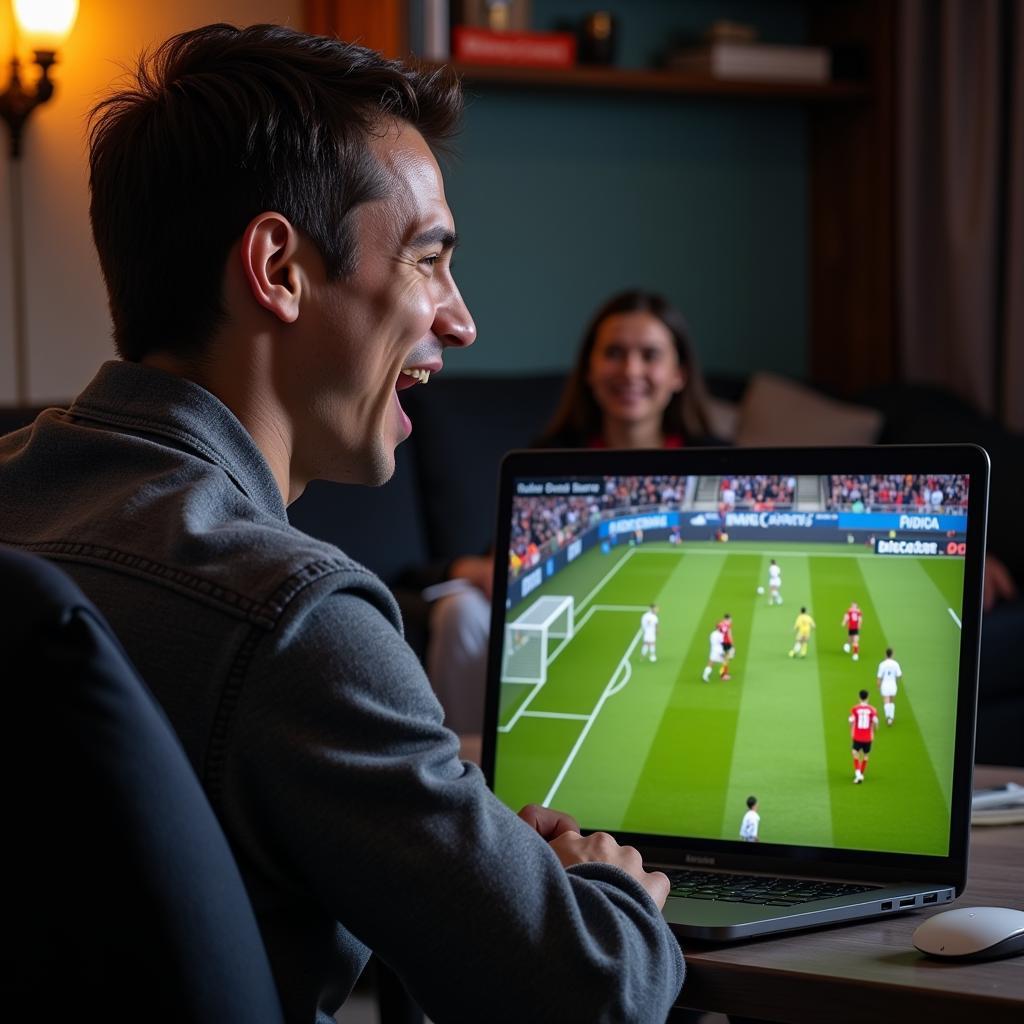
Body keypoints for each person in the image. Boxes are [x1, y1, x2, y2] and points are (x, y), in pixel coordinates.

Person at [0, 25, 683, 1022]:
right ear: (277, 268)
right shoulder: (295, 620)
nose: (460, 320)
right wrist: (607, 885)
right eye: (427, 258)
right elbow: (595, 993)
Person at [427, 289, 719, 730]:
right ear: (589, 369)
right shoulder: (549, 459)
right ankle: (460, 772)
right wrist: (475, 568)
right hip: (569, 611)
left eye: (650, 355)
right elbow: (498, 557)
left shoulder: (716, 460)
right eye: (615, 353)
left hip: (678, 609)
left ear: (678, 374)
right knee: (461, 612)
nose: (631, 370)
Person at [849, 689, 879, 784]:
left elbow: (851, 720)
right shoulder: (872, 709)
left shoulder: (855, 709)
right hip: (868, 737)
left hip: (857, 736)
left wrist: (851, 729)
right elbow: (875, 721)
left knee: (855, 752)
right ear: (868, 697)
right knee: (865, 755)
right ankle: (860, 774)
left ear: (859, 697)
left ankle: (858, 774)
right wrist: (874, 730)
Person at [877, 647, 903, 725]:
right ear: (892, 654)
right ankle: (891, 718)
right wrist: (895, 680)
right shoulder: (896, 663)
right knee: (891, 701)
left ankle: (888, 717)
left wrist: (878, 686)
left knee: (886, 701)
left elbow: (879, 677)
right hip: (893, 684)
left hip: (885, 684)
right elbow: (899, 675)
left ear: (886, 654)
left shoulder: (882, 664)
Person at [716, 613, 735, 679]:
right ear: (729, 618)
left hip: (720, 643)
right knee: (728, 658)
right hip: (727, 643)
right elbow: (729, 634)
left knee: (726, 658)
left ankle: (724, 672)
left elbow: (717, 632)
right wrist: (732, 643)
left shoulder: (719, 624)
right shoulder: (728, 624)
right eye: (731, 619)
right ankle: (723, 674)